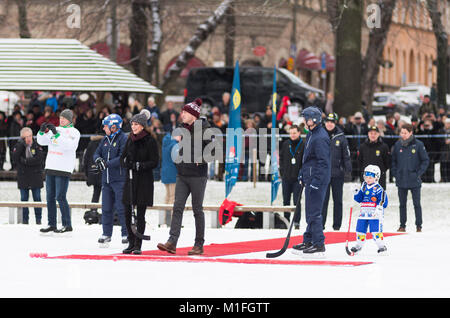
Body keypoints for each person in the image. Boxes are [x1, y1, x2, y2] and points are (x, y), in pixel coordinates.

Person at [157, 98, 211, 256]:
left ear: (193, 115)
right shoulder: (183, 129)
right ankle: (172, 242)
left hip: (198, 176)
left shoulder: (205, 130)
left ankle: (198, 244)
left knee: (197, 210)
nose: (182, 114)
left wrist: (200, 159)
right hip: (182, 175)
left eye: (185, 112)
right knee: (177, 207)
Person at [293, 106, 331, 255]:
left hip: (317, 180)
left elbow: (323, 162)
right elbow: (307, 158)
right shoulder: (311, 133)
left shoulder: (320, 137)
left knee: (314, 212)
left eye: (305, 118)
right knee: (310, 212)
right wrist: (303, 173)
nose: (303, 120)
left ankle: (319, 243)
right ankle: (308, 240)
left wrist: (316, 180)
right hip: (310, 177)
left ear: (312, 120)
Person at [121, 109, 159, 254]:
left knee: (140, 214)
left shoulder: (150, 140)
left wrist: (140, 165)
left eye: (136, 124)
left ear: (142, 126)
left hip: (143, 182)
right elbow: (122, 158)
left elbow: (154, 161)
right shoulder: (129, 139)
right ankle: (130, 241)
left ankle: (138, 244)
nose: (134, 127)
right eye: (132, 124)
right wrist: (125, 162)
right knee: (127, 212)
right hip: (130, 181)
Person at [37, 109, 80, 234]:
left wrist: (56, 134)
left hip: (63, 167)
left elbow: (68, 146)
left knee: (60, 196)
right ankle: (52, 224)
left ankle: (67, 224)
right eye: (61, 117)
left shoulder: (74, 132)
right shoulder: (55, 129)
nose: (61, 120)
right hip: (51, 165)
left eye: (64, 118)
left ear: (70, 120)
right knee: (50, 197)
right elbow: (41, 142)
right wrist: (41, 131)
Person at [93, 114, 129, 246]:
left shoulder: (123, 139)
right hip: (106, 180)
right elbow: (97, 153)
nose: (103, 128)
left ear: (114, 127)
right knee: (106, 208)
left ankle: (126, 233)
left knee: (121, 208)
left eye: (106, 126)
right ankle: (106, 233)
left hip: (119, 179)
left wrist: (106, 164)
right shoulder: (105, 140)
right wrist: (98, 160)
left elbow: (122, 158)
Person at [391, 123, 429, 232]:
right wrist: (395, 173)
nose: (402, 135)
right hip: (401, 179)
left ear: (411, 133)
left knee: (416, 204)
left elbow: (425, 160)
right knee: (402, 204)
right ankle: (402, 225)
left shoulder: (418, 145)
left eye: (405, 133)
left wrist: (418, 173)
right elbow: (393, 161)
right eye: (401, 132)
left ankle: (418, 226)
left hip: (414, 180)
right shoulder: (397, 145)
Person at [321, 113, 352, 231]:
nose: (329, 124)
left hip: (337, 174)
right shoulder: (320, 135)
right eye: (328, 121)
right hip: (323, 174)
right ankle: (321, 224)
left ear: (335, 123)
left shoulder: (341, 137)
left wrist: (347, 170)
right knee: (323, 201)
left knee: (338, 200)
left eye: (332, 122)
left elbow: (346, 155)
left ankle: (337, 225)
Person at [350, 165, 389, 254]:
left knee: (376, 231)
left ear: (376, 178)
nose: (368, 179)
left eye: (370, 177)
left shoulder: (379, 189)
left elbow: (383, 200)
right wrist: (356, 193)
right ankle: (359, 245)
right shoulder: (364, 186)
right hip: (363, 213)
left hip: (374, 214)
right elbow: (359, 199)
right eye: (366, 177)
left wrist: (379, 208)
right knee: (360, 230)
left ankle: (381, 246)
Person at [11, 127, 45, 224]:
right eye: (26, 137)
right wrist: (21, 146)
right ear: (22, 138)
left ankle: (38, 220)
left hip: (36, 177)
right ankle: (25, 220)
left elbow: (39, 159)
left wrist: (25, 161)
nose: (29, 138)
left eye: (30, 136)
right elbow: (15, 158)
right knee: (24, 200)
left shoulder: (37, 145)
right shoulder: (18, 146)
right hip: (23, 177)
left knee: (37, 199)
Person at [279, 125, 304, 229]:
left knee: (296, 201)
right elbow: (281, 158)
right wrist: (282, 172)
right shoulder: (286, 144)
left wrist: (302, 175)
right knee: (286, 201)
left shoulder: (303, 144)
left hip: (298, 179)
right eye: (291, 133)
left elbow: (305, 162)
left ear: (299, 133)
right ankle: (286, 221)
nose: (292, 135)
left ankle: (296, 222)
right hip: (286, 178)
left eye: (294, 133)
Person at [160, 132, 178, 226]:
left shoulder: (166, 143)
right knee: (173, 196)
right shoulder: (174, 145)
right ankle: (170, 220)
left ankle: (164, 219)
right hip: (173, 172)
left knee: (167, 196)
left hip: (165, 171)